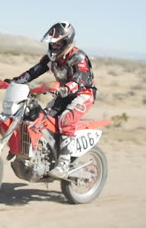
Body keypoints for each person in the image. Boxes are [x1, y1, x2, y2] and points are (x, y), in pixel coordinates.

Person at [7, 21, 96, 178]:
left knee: (66, 119)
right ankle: (43, 154)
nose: (55, 47)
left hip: (83, 95)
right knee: (42, 119)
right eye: (53, 44)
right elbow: (34, 71)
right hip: (62, 94)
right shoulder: (51, 58)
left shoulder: (78, 57)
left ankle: (63, 163)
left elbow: (80, 79)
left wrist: (66, 88)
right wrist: (16, 81)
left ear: (67, 42)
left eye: (59, 43)